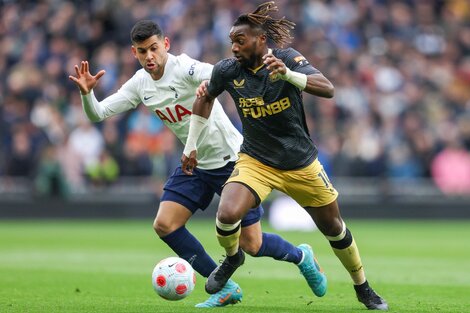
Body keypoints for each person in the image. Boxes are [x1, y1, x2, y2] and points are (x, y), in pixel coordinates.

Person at [69, 19, 323, 308]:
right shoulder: (140, 84)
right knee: (165, 224)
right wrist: (87, 93)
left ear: (165, 45)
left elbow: (220, 73)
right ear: (134, 53)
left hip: (232, 162)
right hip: (194, 163)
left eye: (153, 48)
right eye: (142, 51)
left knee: (251, 245)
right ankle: (226, 287)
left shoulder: (185, 67)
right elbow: (97, 114)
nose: (149, 56)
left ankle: (302, 256)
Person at [181, 2, 388, 310]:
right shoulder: (227, 70)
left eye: (240, 40)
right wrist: (191, 144)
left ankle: (363, 288)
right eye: (232, 41)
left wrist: (290, 75)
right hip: (256, 161)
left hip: (300, 162)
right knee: (226, 213)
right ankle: (233, 257)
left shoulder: (287, 59)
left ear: (260, 40)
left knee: (334, 228)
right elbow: (205, 98)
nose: (234, 47)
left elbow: (327, 88)